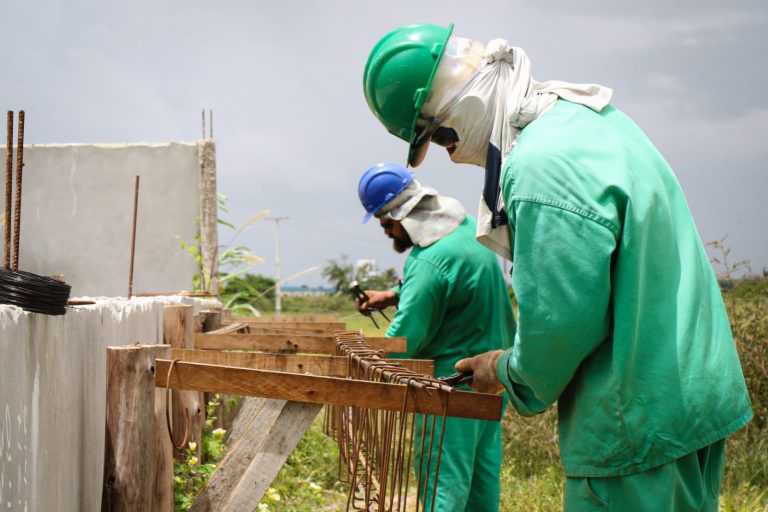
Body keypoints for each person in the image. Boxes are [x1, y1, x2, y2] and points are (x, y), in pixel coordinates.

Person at [362, 23, 753, 512]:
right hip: (687, 394)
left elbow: (561, 321)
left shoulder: (539, 166)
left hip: (632, 414)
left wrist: (505, 367)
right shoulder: (595, 120)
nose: (455, 155)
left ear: (457, 112)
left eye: (441, 138)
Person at [356, 162, 516, 512]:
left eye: (386, 223)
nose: (386, 232)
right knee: (479, 481)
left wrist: (364, 364)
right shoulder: (469, 231)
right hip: (493, 377)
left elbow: (405, 341)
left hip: (449, 387)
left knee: (442, 486)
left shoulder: (429, 260)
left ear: (404, 215)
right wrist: (395, 294)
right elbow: (454, 285)